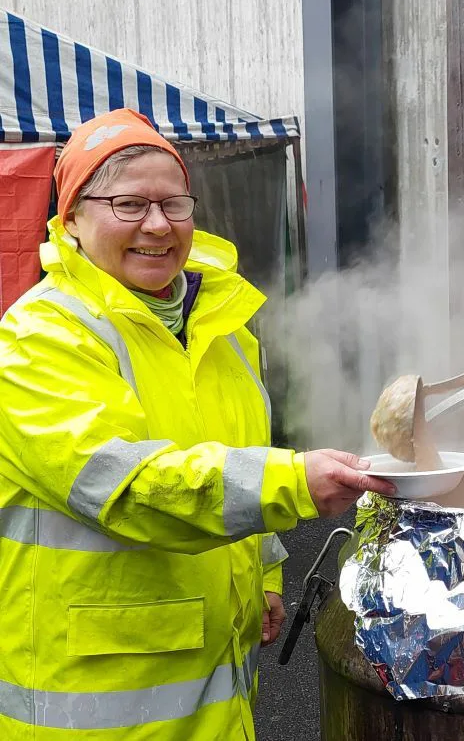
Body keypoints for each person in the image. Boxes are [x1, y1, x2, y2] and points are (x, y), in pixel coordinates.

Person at [0, 109, 394, 741]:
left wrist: (263, 576)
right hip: (90, 706)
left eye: (174, 203)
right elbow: (131, 487)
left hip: (217, 690)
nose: (157, 225)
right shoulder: (38, 341)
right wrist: (296, 483)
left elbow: (239, 452)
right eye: (128, 205)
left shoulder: (222, 328)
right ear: (71, 217)